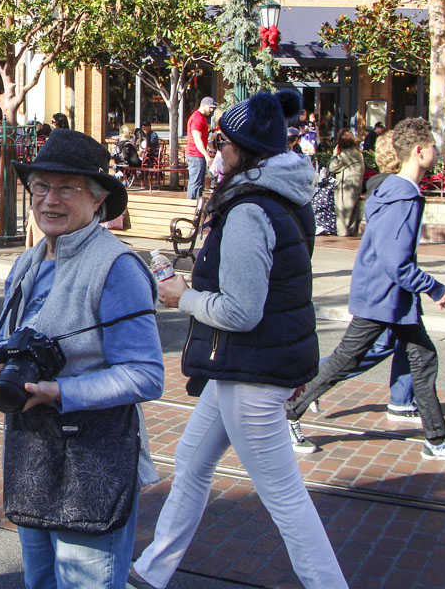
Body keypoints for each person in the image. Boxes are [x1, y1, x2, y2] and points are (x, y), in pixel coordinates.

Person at [131, 90, 348, 589]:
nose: (215, 149)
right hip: (247, 364)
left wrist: (182, 296)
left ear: (245, 150)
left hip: (250, 369)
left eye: (222, 141)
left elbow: (241, 311)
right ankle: (151, 569)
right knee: (192, 461)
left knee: (284, 496)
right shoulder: (285, 196)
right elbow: (283, 292)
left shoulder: (250, 209)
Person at [0, 128, 164, 589]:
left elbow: (146, 375)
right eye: (40, 186)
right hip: (33, 452)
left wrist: (61, 391)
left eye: (67, 188)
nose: (49, 199)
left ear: (98, 199)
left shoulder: (117, 267)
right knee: (39, 580)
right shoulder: (29, 261)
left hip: (93, 460)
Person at [285, 117, 445, 462]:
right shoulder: (404, 197)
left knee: (422, 359)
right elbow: (395, 262)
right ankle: (288, 412)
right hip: (383, 297)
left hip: (389, 297)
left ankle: (436, 440)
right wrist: (434, 288)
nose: (436, 152)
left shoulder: (393, 190)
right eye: (433, 147)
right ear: (419, 151)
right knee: (346, 360)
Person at [329, 128, 365, 236]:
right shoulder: (356, 152)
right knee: (350, 217)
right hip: (353, 186)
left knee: (344, 218)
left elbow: (332, 167)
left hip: (347, 187)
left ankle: (343, 237)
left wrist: (334, 155)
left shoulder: (348, 153)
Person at [185, 96, 216, 200]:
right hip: (195, 155)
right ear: (203, 105)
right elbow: (197, 138)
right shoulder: (197, 118)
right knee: (195, 183)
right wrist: (206, 155)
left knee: (199, 184)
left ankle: (197, 205)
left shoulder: (201, 117)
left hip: (198, 154)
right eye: (210, 107)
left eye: (213, 108)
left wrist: (209, 147)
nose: (212, 110)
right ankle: (191, 205)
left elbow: (202, 137)